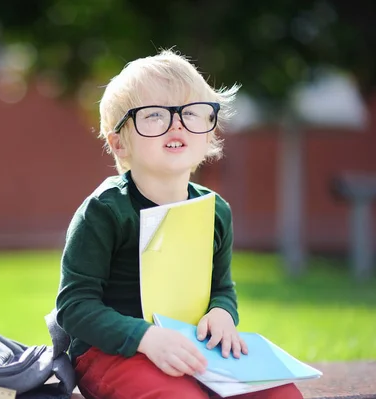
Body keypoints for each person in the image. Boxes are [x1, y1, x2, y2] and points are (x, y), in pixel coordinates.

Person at [54, 49, 303, 399]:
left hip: (193, 346)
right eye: (154, 115)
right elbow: (75, 307)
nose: (177, 123)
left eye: (191, 113)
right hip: (112, 353)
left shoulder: (215, 211)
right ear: (119, 143)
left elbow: (222, 288)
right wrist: (145, 338)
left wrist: (222, 313)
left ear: (208, 133)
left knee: (281, 394)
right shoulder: (105, 211)